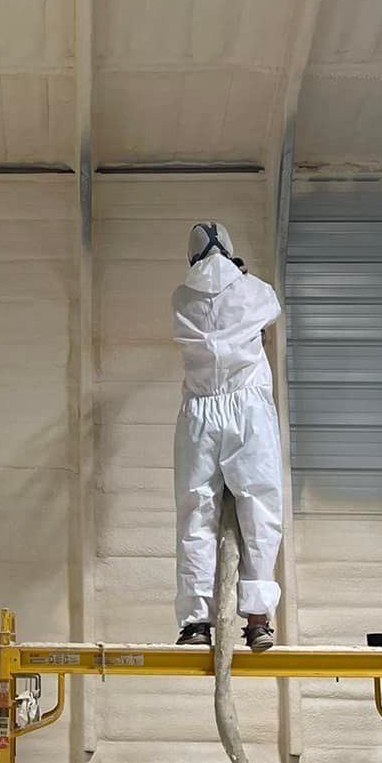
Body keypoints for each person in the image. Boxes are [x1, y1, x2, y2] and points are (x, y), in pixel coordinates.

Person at [171, 222, 284, 650]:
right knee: (260, 509)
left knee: (195, 512)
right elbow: (269, 310)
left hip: (200, 413)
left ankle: (196, 622)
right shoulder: (257, 291)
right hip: (248, 410)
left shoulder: (180, 298)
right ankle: (257, 618)